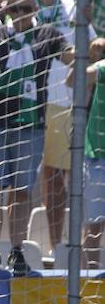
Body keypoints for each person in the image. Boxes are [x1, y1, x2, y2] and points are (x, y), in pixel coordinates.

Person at [0, 0, 75, 276]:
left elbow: (71, 57)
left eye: (25, 8)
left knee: (22, 192)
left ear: (36, 8)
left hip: (31, 125)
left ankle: (16, 251)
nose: (21, 15)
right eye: (14, 9)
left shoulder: (49, 33)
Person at [31, 0, 95, 256]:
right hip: (30, 104)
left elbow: (91, 52)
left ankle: (78, 248)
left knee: (75, 183)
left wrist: (83, 98)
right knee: (51, 184)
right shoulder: (23, 9)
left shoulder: (73, 9)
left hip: (65, 103)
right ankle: (56, 248)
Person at [68, 39, 105, 268]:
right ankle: (91, 284)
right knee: (93, 225)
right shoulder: (102, 68)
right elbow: (72, 80)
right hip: (98, 155)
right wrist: (88, 57)